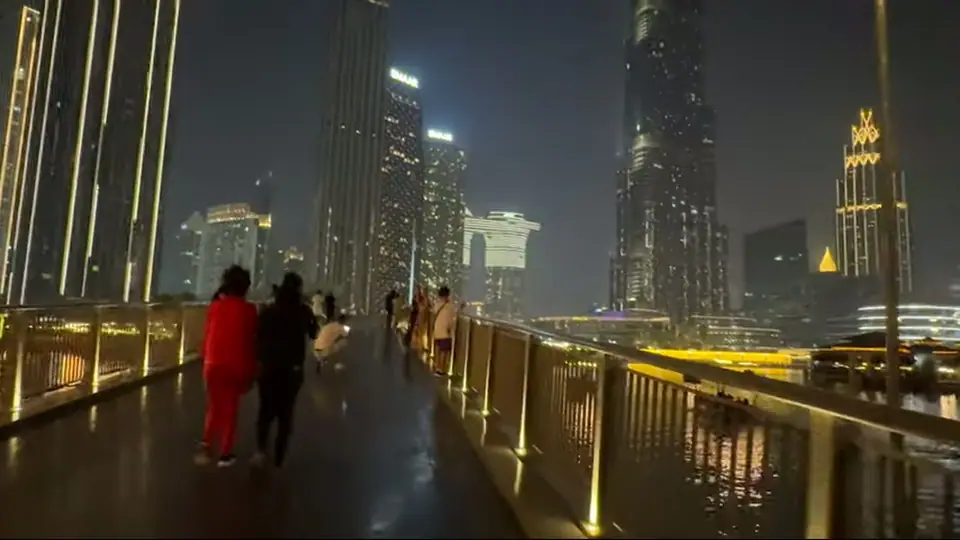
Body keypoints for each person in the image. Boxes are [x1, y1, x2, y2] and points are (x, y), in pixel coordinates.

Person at [251, 272, 319, 469]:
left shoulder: (269, 310)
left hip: (269, 368)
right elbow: (314, 332)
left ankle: (260, 451)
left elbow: (258, 335)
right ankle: (279, 458)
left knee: (265, 410)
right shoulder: (303, 311)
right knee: (285, 414)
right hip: (292, 371)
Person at [196, 265, 258, 467]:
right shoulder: (249, 310)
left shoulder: (215, 306)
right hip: (235, 364)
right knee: (230, 409)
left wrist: (205, 358)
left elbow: (208, 336)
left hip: (213, 363)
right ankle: (225, 453)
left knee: (214, 405)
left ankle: (206, 443)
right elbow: (251, 341)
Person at [432, 286, 456, 376]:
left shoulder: (437, 304)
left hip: (437, 331)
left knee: (439, 350)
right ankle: (440, 369)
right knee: (444, 352)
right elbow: (454, 315)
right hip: (445, 332)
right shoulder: (449, 306)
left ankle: (437, 367)